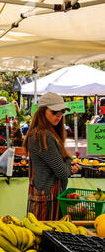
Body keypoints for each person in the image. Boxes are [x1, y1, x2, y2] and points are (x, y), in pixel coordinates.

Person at [23, 92, 81, 221]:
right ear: (43, 112)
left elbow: (61, 165)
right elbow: (62, 172)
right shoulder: (42, 136)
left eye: (61, 112)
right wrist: (68, 163)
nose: (59, 116)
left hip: (48, 197)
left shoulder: (46, 133)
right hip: (46, 199)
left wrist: (67, 163)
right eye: (55, 112)